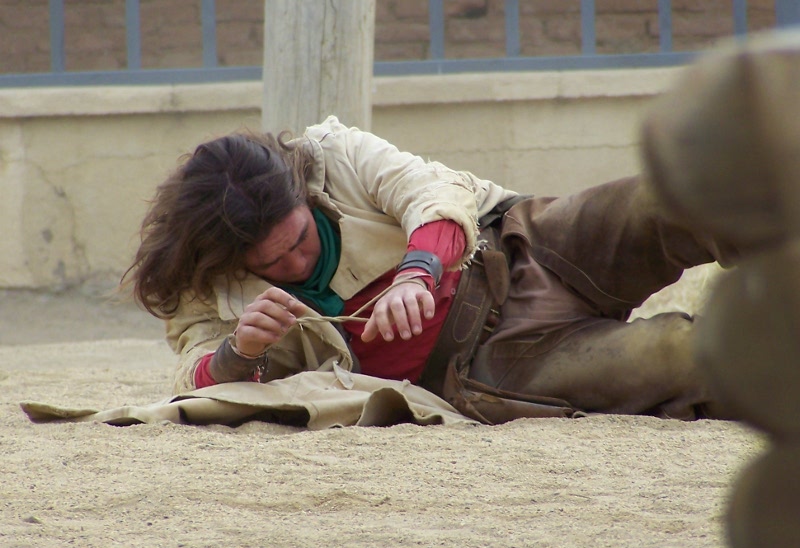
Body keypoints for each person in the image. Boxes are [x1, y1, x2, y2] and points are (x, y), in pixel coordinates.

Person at [123, 114, 742, 424]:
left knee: (684, 197)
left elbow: (433, 194)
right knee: (686, 356)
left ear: (300, 192)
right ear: (230, 260)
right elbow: (194, 374)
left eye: (301, 239)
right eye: (274, 263)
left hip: (523, 243)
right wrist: (240, 351)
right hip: (489, 364)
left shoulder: (331, 155)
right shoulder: (200, 289)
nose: (297, 262)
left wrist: (417, 274)